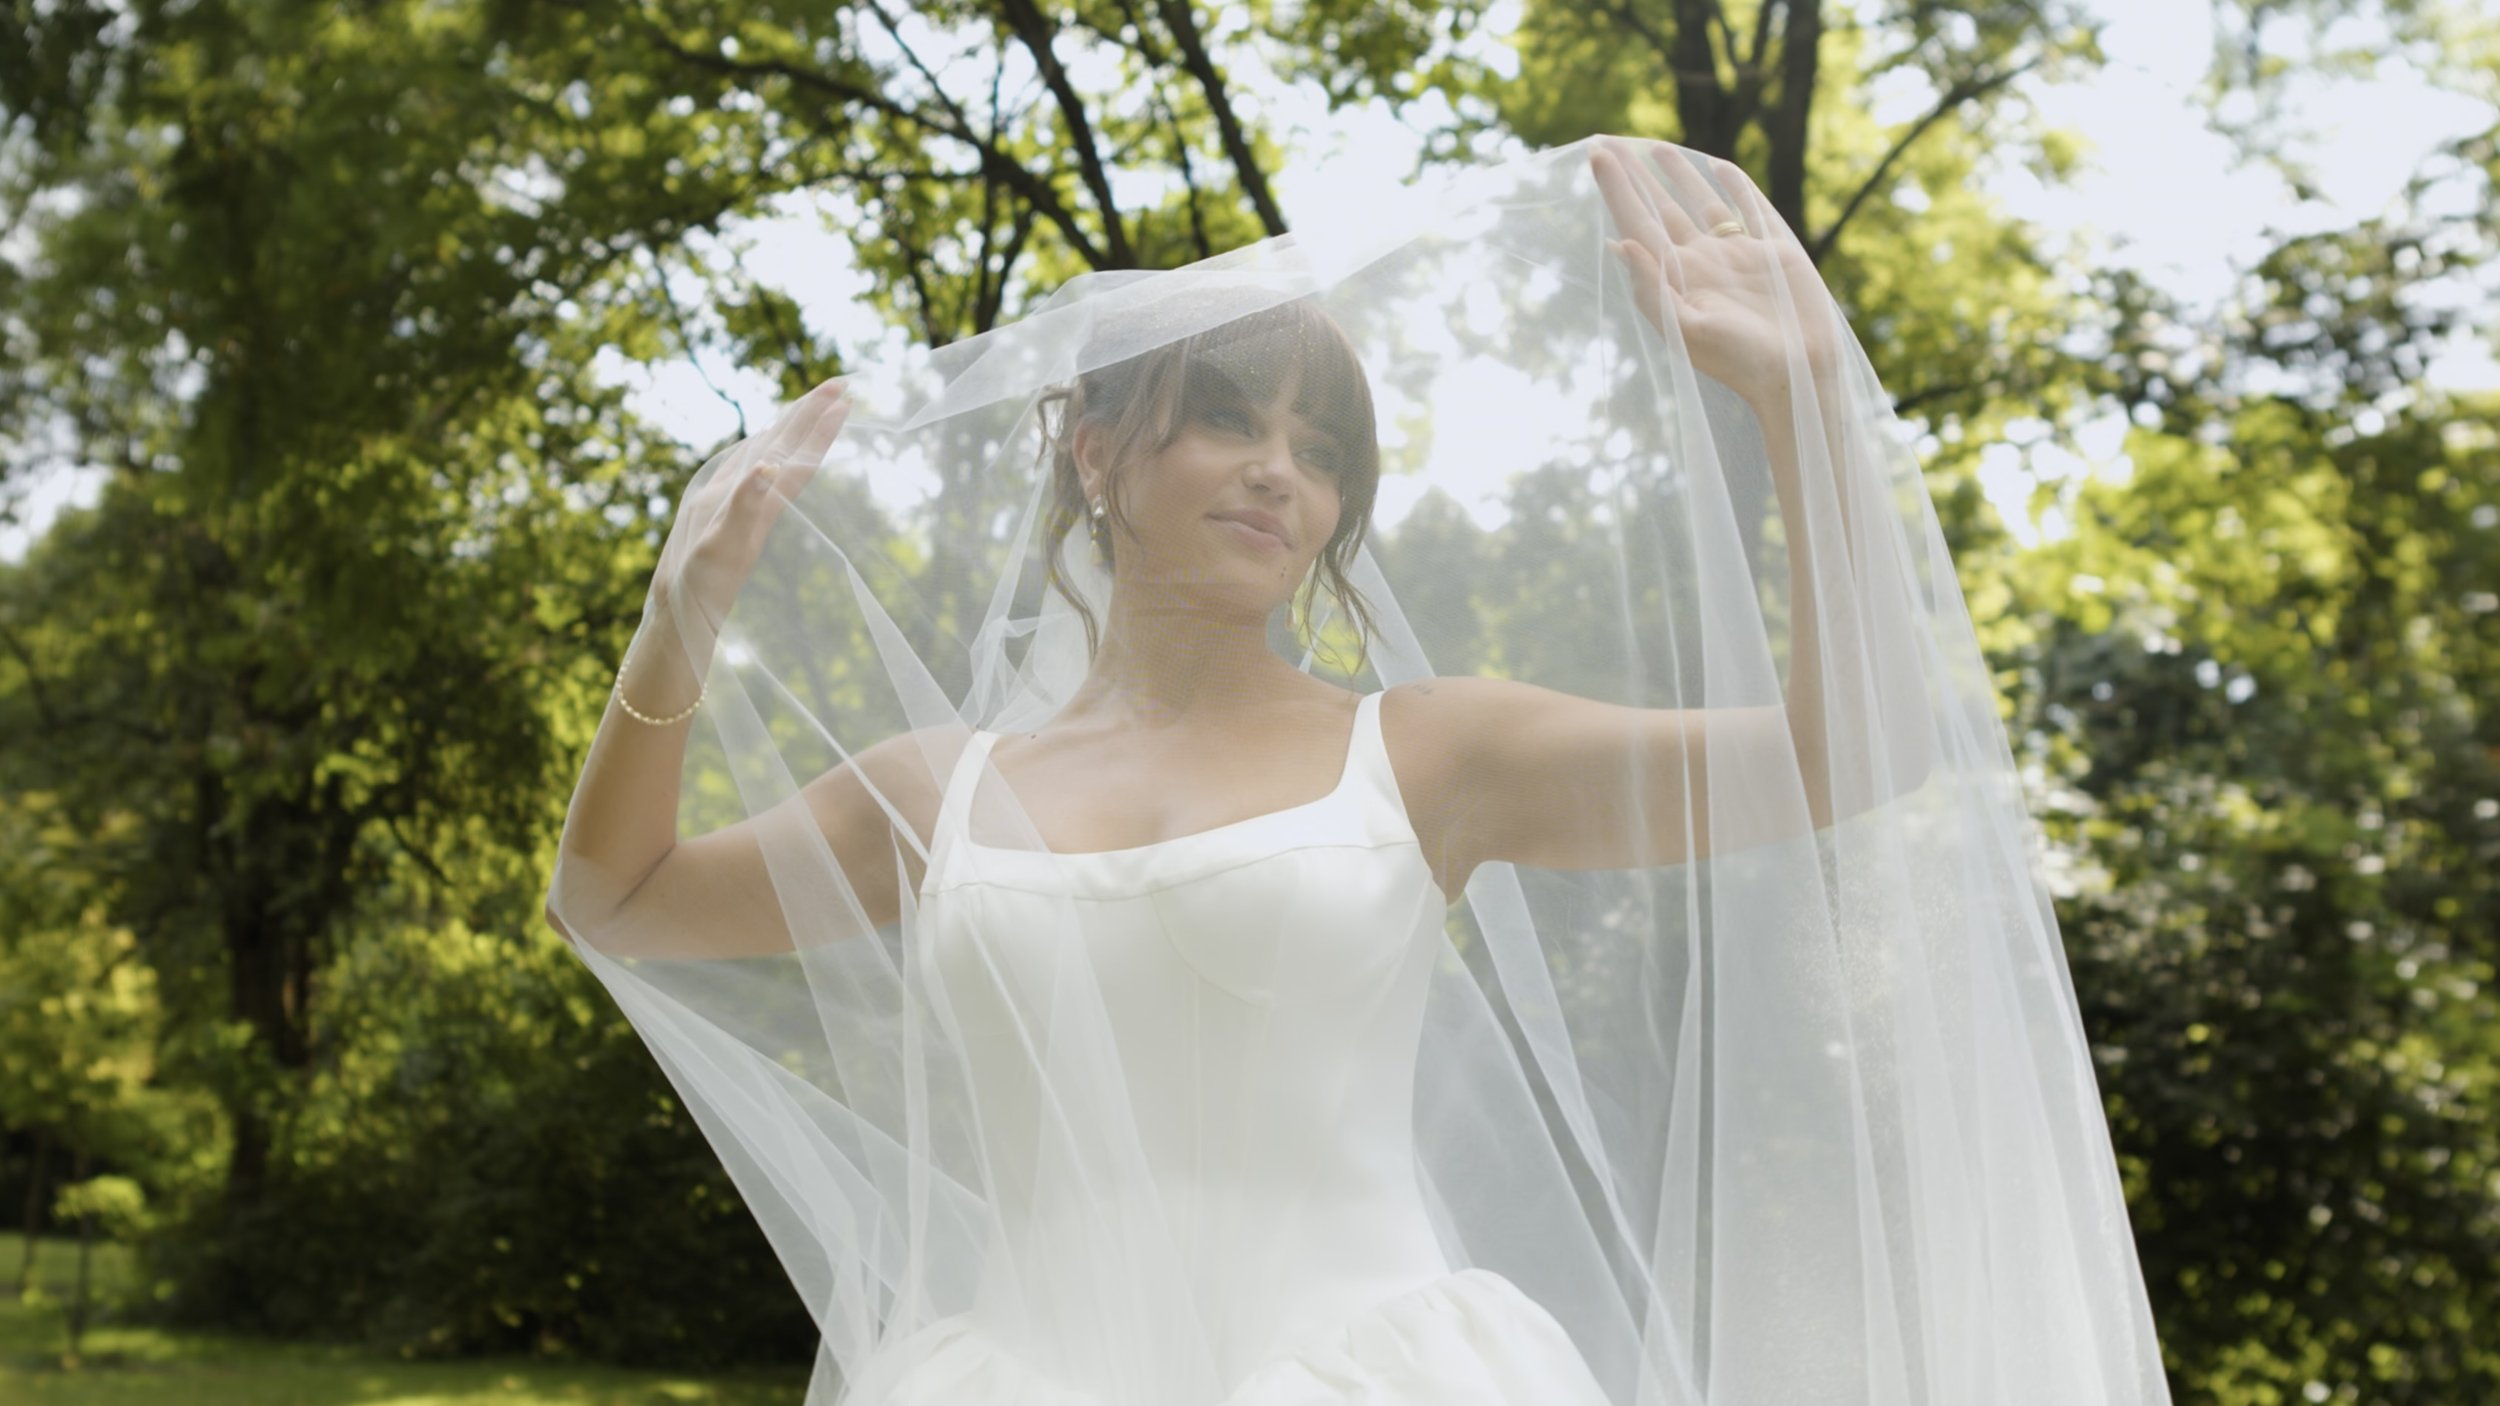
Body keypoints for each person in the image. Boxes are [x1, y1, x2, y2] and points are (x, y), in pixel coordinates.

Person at [545, 135, 2175, 1406]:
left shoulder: (1428, 751)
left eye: (1323, 449)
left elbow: (1847, 757)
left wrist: (1808, 405)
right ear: (1094, 451)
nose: (1281, 471)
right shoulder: (934, 791)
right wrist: (678, 619)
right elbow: (610, 898)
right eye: (1231, 420)